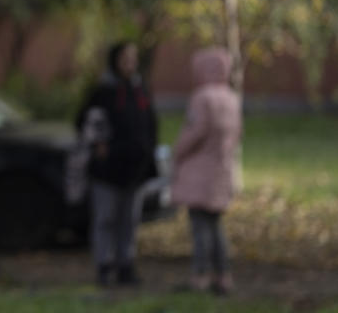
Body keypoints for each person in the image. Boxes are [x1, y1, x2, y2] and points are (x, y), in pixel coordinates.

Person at [74, 40, 158, 287]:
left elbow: (150, 124)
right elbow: (85, 122)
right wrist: (98, 145)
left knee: (129, 220)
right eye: (125, 59)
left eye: (133, 59)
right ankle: (104, 265)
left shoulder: (140, 89)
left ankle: (126, 264)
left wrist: (148, 151)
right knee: (106, 218)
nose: (130, 64)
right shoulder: (103, 92)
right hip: (108, 170)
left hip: (136, 169)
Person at [170, 47, 242, 295]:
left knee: (200, 227)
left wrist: (176, 153)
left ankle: (200, 276)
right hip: (222, 170)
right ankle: (223, 275)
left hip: (199, 174)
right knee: (215, 226)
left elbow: (194, 132)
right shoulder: (231, 98)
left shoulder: (202, 98)